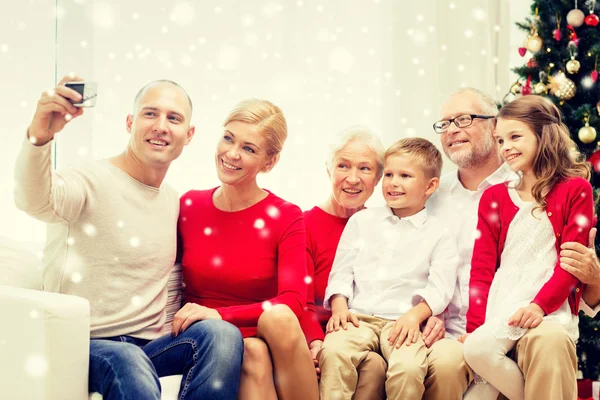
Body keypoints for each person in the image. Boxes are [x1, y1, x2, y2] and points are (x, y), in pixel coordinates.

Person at [14, 76, 244, 399]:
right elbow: (33, 199)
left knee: (222, 335)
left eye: (173, 118)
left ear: (189, 135)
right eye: (150, 114)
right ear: (130, 123)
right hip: (85, 345)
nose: (161, 126)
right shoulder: (90, 180)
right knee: (128, 359)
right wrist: (40, 136)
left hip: (148, 348)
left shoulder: (173, 202)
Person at [426, 87, 600, 400]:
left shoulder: (575, 189)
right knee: (476, 359)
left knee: (546, 341)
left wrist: (539, 305)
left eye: (514, 137)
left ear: (543, 136)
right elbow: (481, 268)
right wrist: (475, 326)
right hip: (497, 313)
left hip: (546, 312)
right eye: (502, 140)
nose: (506, 147)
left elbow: (570, 263)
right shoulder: (479, 197)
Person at [175, 99, 319, 400]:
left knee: (274, 321)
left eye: (249, 148)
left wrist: (220, 314)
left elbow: (293, 301)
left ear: (269, 162)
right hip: (209, 333)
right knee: (252, 353)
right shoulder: (189, 205)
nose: (231, 154)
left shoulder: (286, 215)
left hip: (263, 329)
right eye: (228, 138)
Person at [318, 137, 459, 400]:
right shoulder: (362, 221)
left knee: (408, 368)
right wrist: (339, 305)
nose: (393, 182)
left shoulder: (440, 234)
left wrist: (415, 316)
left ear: (430, 186)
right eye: (390, 174)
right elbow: (342, 272)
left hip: (403, 322)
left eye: (405, 175)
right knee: (334, 351)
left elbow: (441, 288)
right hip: (358, 318)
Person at [300, 126, 388, 400]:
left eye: (365, 169)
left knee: (376, 365)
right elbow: (297, 299)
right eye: (343, 166)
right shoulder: (304, 224)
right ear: (329, 170)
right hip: (322, 335)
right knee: (370, 366)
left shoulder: (386, 228)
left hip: (369, 333)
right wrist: (315, 342)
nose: (353, 178)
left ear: (379, 178)